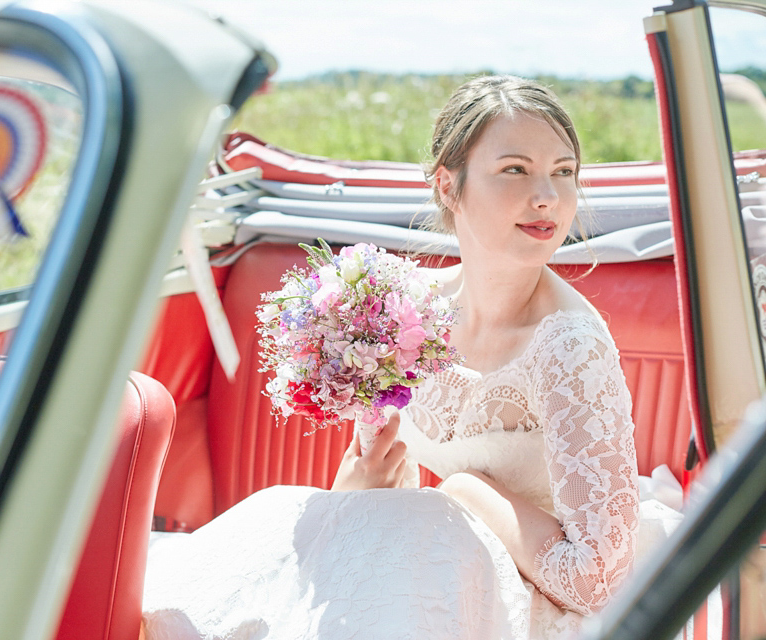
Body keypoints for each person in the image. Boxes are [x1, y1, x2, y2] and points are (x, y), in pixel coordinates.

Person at [141, 75, 662, 640]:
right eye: (516, 169)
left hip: (528, 590)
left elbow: (597, 582)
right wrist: (364, 486)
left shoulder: (570, 346)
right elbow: (369, 473)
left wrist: (467, 491)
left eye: (563, 172)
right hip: (429, 557)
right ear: (448, 185)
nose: (548, 197)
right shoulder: (398, 307)